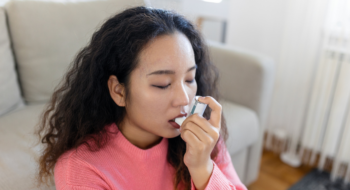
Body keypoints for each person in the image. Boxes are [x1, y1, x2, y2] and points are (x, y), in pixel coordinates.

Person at [36, 6, 247, 190]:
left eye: (190, 79)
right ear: (119, 91)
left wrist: (203, 168)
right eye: (162, 84)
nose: (184, 99)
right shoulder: (81, 170)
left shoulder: (203, 139)